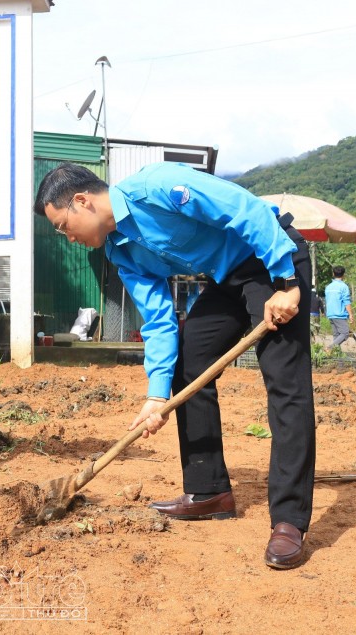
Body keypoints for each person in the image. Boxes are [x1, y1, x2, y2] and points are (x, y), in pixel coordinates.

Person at [35, 162, 315, 570]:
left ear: (82, 201)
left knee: (285, 382)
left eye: (63, 226)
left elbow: (246, 210)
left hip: (271, 256)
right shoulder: (120, 250)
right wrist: (155, 395)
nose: (68, 238)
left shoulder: (157, 187)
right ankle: (209, 492)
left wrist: (287, 283)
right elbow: (159, 320)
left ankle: (290, 520)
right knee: (190, 362)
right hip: (227, 278)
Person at [325, 266, 354, 350]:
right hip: (339, 314)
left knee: (336, 336)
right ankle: (330, 348)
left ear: (333, 274)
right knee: (345, 333)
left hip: (330, 314)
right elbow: (346, 301)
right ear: (343, 275)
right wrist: (350, 315)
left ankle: (336, 356)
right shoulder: (344, 287)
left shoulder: (328, 287)